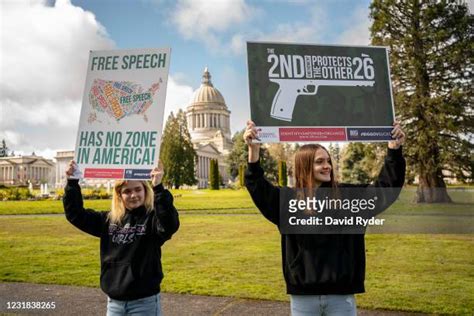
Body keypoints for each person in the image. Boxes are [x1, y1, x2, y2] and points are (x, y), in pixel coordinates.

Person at [243, 121, 406, 316]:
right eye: (319, 162)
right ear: (304, 165)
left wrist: (394, 152)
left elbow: (385, 190)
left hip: (341, 295)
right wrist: (253, 153)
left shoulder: (349, 197)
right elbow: (257, 187)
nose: (327, 166)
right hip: (303, 297)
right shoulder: (287, 201)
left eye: (328, 161)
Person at [63, 161, 179, 316]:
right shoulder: (109, 220)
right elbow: (75, 214)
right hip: (114, 304)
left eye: (138, 189)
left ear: (145, 190)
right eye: (127, 191)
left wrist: (158, 187)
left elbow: (169, 225)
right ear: (119, 195)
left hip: (144, 303)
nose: (133, 195)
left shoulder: (152, 219)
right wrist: (72, 182)